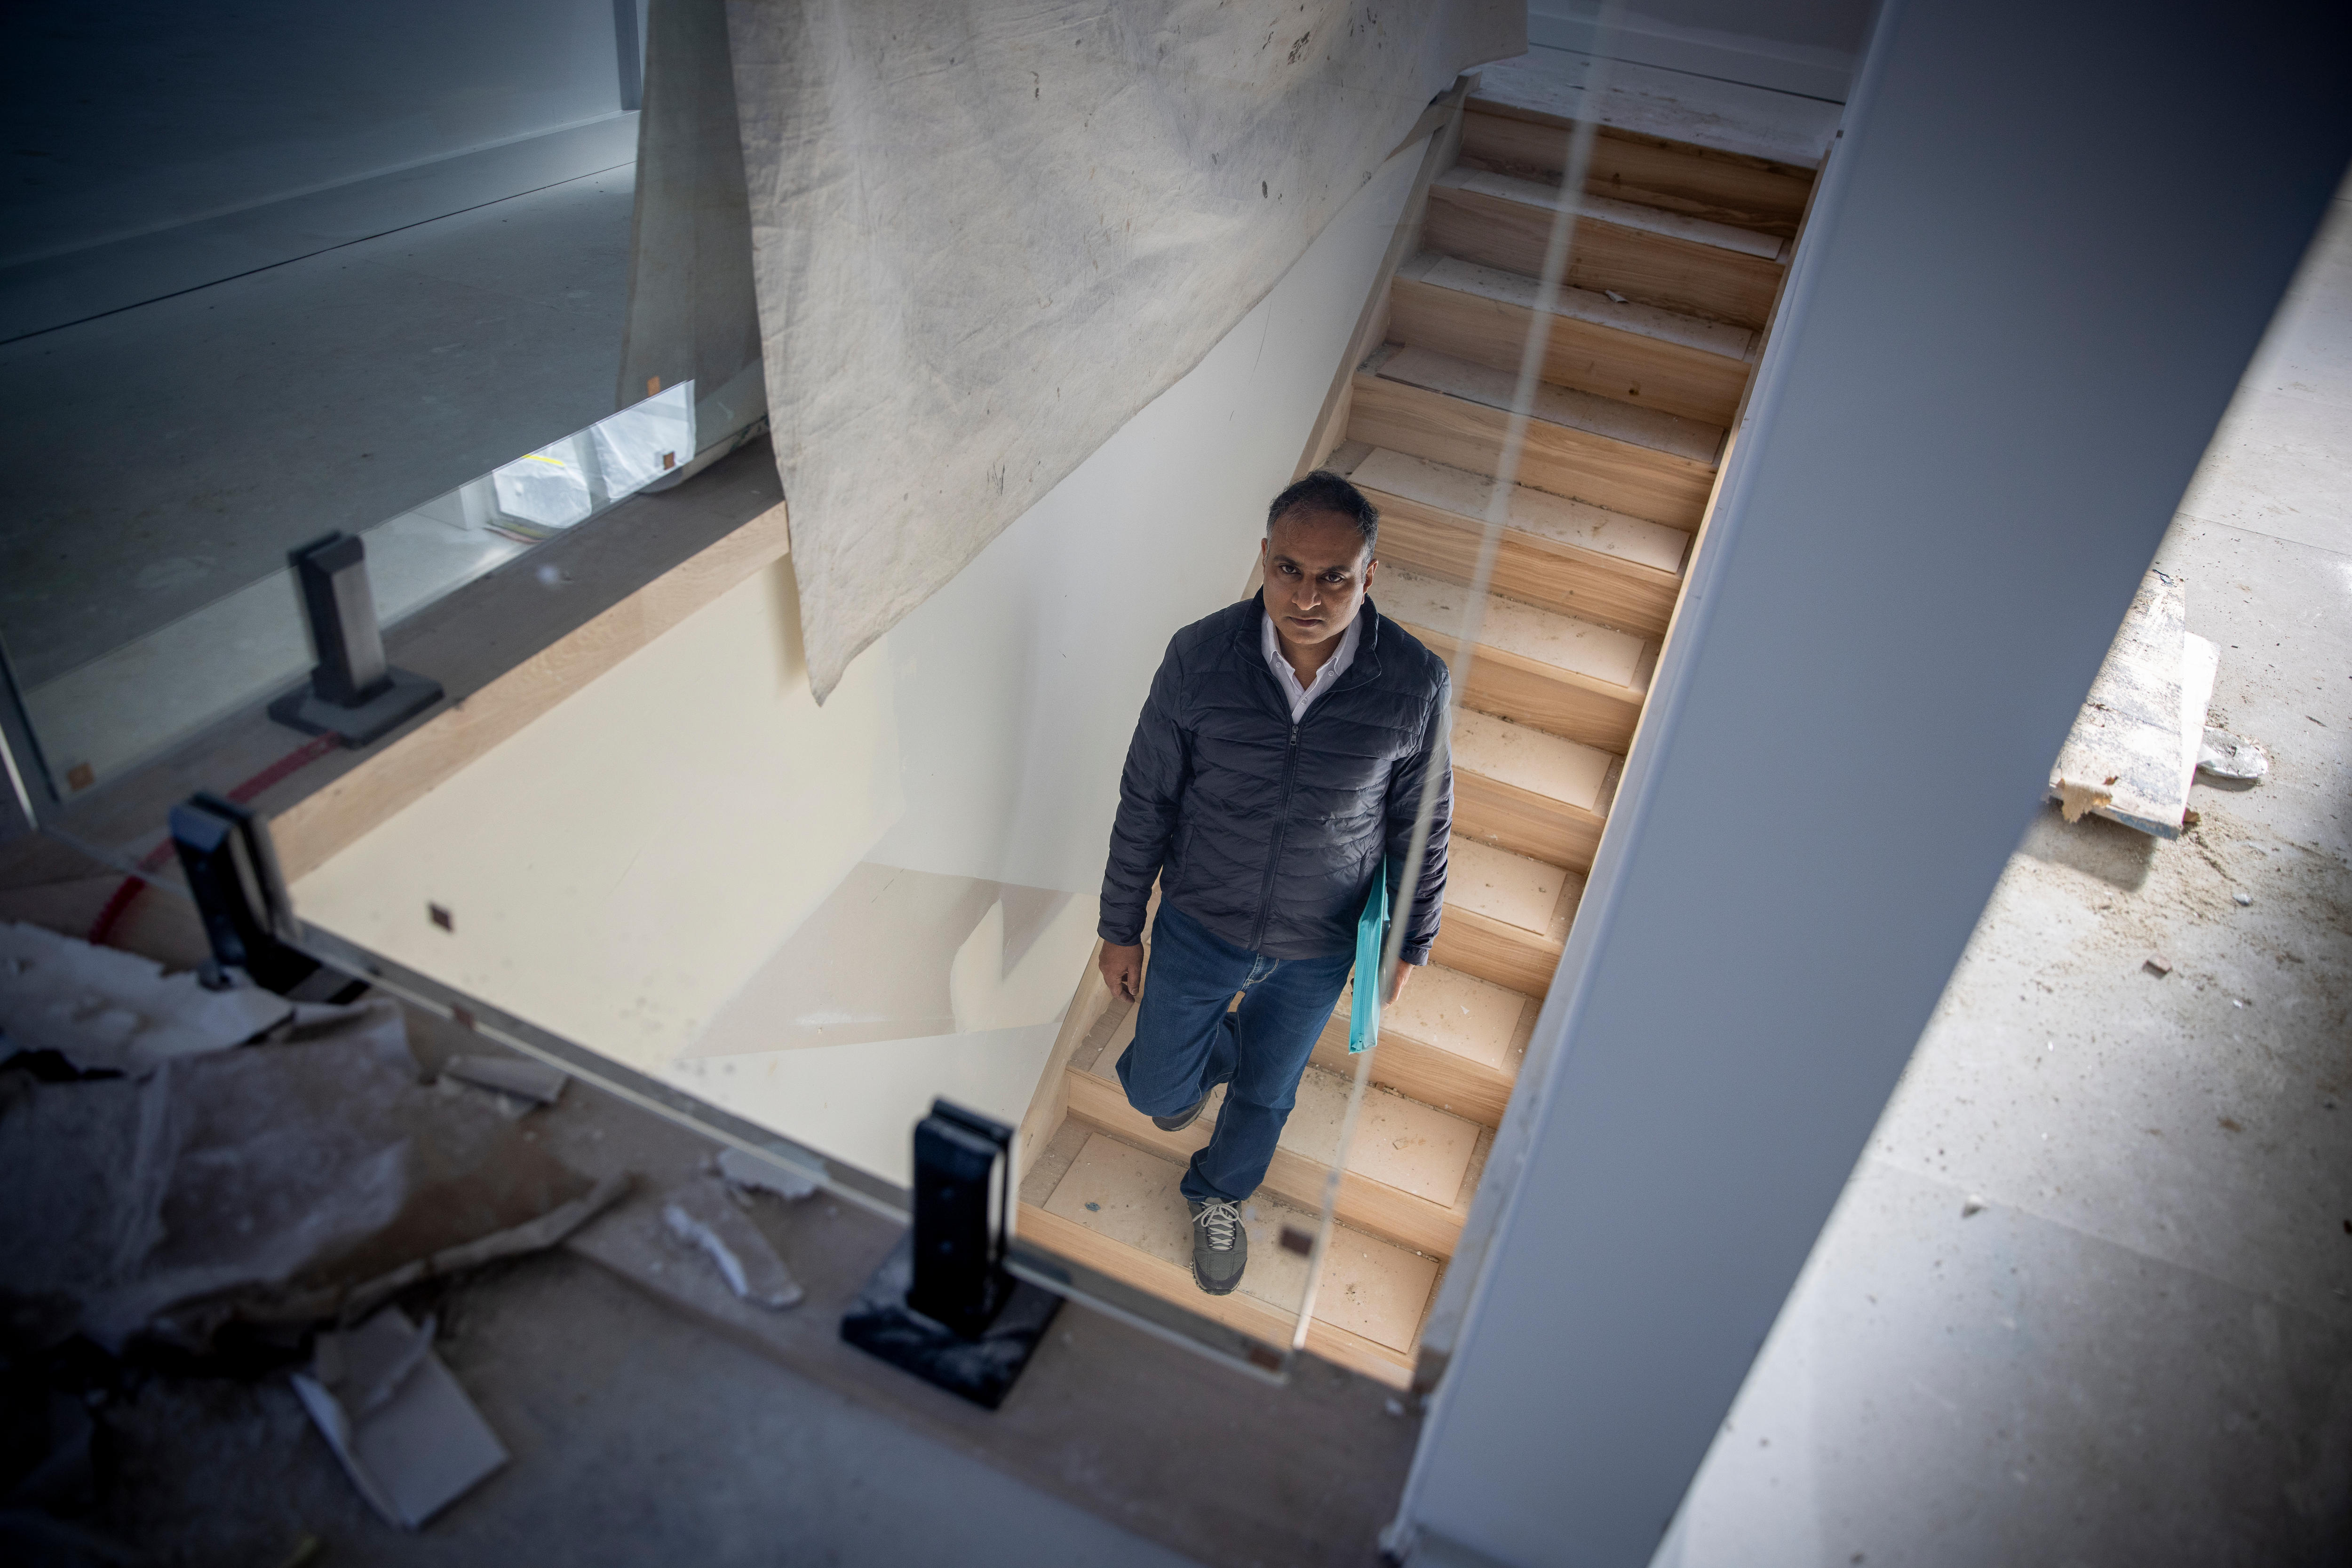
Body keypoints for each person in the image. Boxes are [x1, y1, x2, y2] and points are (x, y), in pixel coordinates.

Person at [1097, 470, 1452, 1296]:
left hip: (1317, 945)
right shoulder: (1198, 657)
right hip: (1199, 919)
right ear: (1263, 558)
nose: (1308, 595)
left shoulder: (1415, 682)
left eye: (1335, 576)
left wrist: (1409, 943)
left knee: (1267, 1090)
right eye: (1289, 569)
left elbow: (1422, 827)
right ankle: (1204, 1058)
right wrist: (1121, 924)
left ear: (1371, 574)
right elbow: (1146, 796)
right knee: (1156, 1090)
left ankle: (1219, 1192)